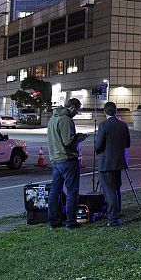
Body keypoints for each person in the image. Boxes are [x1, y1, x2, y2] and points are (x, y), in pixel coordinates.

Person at [47, 98, 85, 229]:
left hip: (56, 159)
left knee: (55, 191)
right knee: (72, 191)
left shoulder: (53, 118)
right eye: (77, 110)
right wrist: (79, 138)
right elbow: (68, 141)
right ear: (73, 107)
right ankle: (71, 222)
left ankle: (53, 221)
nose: (77, 113)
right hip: (67, 159)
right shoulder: (66, 120)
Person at [95, 101, 131, 226]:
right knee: (116, 189)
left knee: (109, 191)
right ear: (116, 111)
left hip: (106, 163)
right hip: (119, 162)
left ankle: (113, 219)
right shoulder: (123, 125)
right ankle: (117, 213)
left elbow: (98, 146)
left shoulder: (103, 125)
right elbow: (127, 144)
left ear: (105, 112)